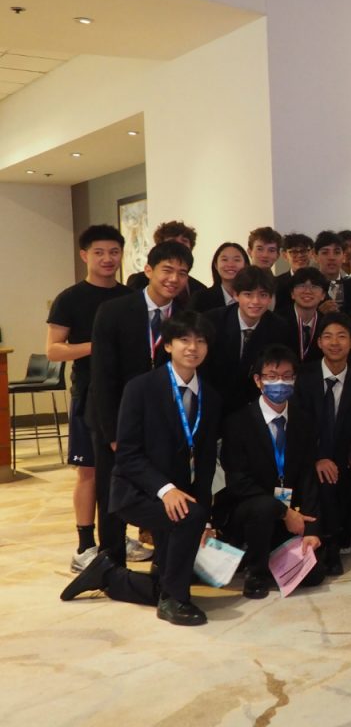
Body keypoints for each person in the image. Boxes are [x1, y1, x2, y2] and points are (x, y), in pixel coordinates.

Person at [60, 311, 221, 626]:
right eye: (184, 340)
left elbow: (203, 462)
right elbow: (129, 455)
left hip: (179, 496)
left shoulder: (211, 397)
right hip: (137, 491)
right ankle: (173, 602)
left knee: (187, 539)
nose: (193, 347)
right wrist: (166, 490)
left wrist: (206, 512)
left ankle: (110, 576)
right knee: (184, 545)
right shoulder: (141, 388)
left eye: (200, 341)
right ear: (168, 346)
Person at [89, 240, 196, 566]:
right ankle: (111, 561)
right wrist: (112, 432)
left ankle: (165, 562)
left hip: (166, 420)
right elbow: (102, 376)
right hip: (118, 419)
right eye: (167, 270)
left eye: (182, 272)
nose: (174, 279)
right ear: (149, 270)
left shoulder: (187, 316)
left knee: (163, 487)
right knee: (112, 494)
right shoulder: (114, 311)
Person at [46, 225, 130, 572]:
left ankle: (120, 536)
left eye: (113, 252)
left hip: (127, 398)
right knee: (89, 472)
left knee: (125, 470)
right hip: (89, 395)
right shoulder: (71, 298)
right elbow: (53, 350)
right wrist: (98, 346)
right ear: (85, 255)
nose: (107, 259)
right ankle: (85, 545)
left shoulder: (129, 296)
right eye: (99, 252)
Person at [213, 344, 325, 599]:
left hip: (290, 511)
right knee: (262, 508)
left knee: (314, 576)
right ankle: (256, 572)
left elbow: (308, 475)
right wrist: (283, 511)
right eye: (272, 377)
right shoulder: (237, 422)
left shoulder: (303, 420)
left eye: (287, 377)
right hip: (248, 509)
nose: (280, 383)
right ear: (258, 380)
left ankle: (274, 553)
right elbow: (238, 482)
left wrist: (312, 529)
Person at [295, 312, 351, 576]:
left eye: (342, 336)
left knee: (344, 473)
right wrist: (318, 457)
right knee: (323, 475)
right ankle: (326, 540)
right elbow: (296, 430)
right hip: (303, 456)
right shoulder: (303, 379)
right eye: (328, 336)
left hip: (341, 457)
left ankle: (332, 538)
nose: (335, 343)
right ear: (319, 342)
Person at [200, 267, 288, 416]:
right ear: (235, 295)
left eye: (263, 295)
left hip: (253, 407)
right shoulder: (212, 321)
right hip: (211, 402)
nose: (256, 301)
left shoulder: (279, 327)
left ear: (270, 298)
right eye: (248, 294)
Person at [124, 221, 206, 309]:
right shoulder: (138, 281)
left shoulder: (199, 288)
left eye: (184, 241)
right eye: (172, 241)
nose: (178, 246)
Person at [189, 242, 249, 313]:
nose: (230, 264)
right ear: (216, 265)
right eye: (224, 259)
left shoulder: (254, 299)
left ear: (246, 265)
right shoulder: (201, 298)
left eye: (236, 260)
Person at [313, 230, 351, 312]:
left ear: (343, 256)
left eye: (337, 252)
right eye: (325, 253)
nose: (331, 258)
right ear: (315, 257)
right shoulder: (307, 287)